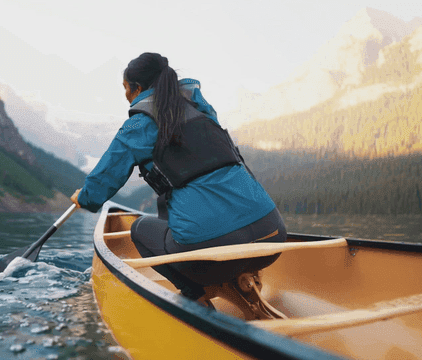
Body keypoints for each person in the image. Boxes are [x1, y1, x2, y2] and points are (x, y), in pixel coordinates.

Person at [71, 52, 286, 300]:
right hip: (273, 237)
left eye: (126, 89)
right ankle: (243, 275)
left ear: (137, 88)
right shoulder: (201, 108)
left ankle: (195, 294)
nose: (126, 97)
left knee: (139, 229)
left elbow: (104, 179)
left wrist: (84, 199)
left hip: (208, 256)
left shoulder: (137, 124)